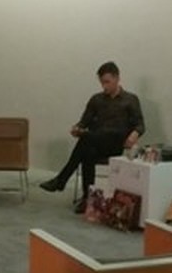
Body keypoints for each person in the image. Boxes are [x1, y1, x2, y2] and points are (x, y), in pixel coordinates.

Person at [39, 61, 145, 213]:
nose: (104, 86)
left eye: (107, 82)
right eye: (102, 83)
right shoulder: (96, 99)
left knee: (87, 140)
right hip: (95, 143)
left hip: (115, 144)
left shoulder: (130, 99)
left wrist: (134, 134)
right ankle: (87, 199)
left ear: (117, 78)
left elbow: (140, 125)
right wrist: (77, 128)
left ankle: (61, 180)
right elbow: (84, 122)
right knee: (87, 151)